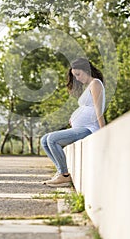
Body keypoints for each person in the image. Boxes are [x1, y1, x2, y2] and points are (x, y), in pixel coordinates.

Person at [41, 57, 106, 187]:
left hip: (89, 128)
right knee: (44, 140)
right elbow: (87, 107)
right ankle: (61, 171)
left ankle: (64, 175)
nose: (76, 78)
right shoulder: (90, 86)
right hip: (82, 127)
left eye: (78, 74)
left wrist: (103, 132)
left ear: (86, 70)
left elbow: (98, 111)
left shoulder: (96, 84)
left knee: (52, 140)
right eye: (74, 75)